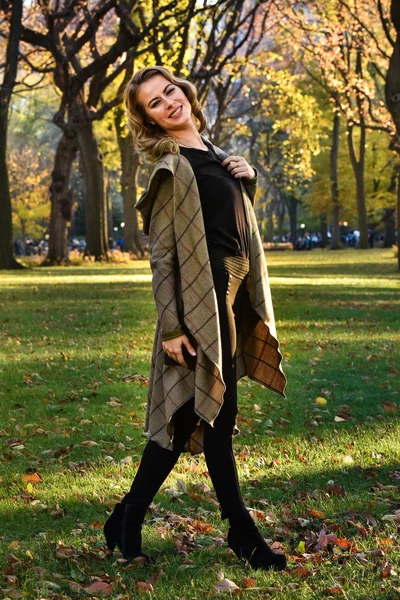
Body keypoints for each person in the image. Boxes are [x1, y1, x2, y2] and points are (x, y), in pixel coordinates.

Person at [103, 66, 287, 571]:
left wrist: (247, 184)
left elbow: (228, 229)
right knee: (211, 417)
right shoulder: (171, 168)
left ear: (184, 93)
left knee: (189, 419)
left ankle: (126, 520)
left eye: (170, 92)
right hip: (195, 307)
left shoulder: (214, 154)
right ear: (150, 121)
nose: (169, 103)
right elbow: (161, 257)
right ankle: (242, 535)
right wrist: (172, 329)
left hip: (226, 298)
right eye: (155, 104)